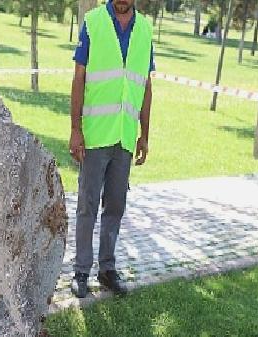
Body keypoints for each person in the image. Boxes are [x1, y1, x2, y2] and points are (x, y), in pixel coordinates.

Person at [69, 0, 154, 298]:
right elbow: (79, 78)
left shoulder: (145, 29)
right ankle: (80, 272)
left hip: (125, 137)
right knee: (87, 205)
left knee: (115, 206)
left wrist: (144, 134)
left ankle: (107, 269)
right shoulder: (93, 22)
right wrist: (76, 129)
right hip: (95, 135)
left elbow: (145, 85)